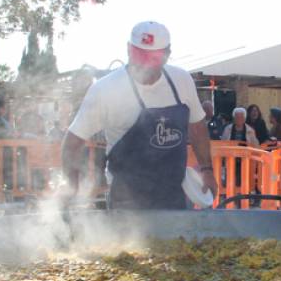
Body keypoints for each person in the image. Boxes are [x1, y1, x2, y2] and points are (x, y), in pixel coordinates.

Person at [62, 21, 217, 209]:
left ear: (167, 54)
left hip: (174, 192)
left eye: (152, 60)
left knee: (178, 238)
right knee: (128, 240)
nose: (144, 67)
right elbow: (72, 142)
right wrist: (72, 187)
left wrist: (207, 170)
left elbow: (197, 126)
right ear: (128, 50)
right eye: (139, 57)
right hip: (126, 197)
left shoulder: (181, 80)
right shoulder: (105, 90)